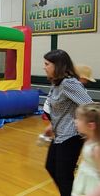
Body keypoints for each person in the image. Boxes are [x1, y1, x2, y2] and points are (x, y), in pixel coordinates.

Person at [42, 49, 93, 196]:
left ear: (58, 65)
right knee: (51, 166)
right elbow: (61, 109)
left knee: (63, 176)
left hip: (71, 136)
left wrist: (87, 130)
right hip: (60, 134)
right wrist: (52, 125)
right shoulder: (56, 83)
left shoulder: (69, 83)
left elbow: (89, 106)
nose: (44, 67)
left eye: (47, 64)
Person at [72, 102, 100, 196]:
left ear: (91, 126)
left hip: (92, 187)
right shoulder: (88, 139)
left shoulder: (96, 149)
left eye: (79, 119)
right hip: (84, 179)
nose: (75, 121)